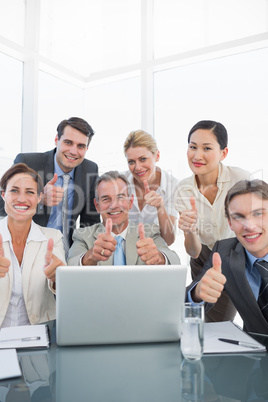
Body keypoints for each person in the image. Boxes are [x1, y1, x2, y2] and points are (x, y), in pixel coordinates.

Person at [175, 120, 250, 322]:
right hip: (203, 257)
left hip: (235, 256)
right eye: (192, 147)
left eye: (207, 148)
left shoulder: (240, 180)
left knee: (220, 321)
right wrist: (189, 230)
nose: (197, 155)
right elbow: (194, 251)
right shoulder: (183, 190)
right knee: (193, 316)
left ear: (223, 153)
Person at [0, 117, 100, 254]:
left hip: (66, 251)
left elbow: (90, 222)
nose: (73, 151)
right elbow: (1, 204)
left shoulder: (90, 169)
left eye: (81, 146)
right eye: (68, 142)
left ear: (87, 148)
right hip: (27, 248)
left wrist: (85, 255)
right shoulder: (28, 162)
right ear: (56, 140)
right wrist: (38, 199)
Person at [187, 179, 268, 334]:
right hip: (256, 354)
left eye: (258, 214)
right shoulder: (224, 252)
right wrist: (197, 294)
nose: (249, 226)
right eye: (238, 217)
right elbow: (185, 306)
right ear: (230, 223)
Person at [68, 171, 180, 266]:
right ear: (97, 206)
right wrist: (90, 257)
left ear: (130, 202)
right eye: (106, 199)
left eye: (120, 197)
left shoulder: (149, 232)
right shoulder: (82, 236)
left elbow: (175, 261)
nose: (114, 205)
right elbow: (69, 267)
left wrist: (159, 257)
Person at [0, 163, 65, 328]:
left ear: (39, 198)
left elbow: (64, 289)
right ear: (3, 194)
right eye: (14, 190)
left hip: (38, 337)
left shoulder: (53, 238)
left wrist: (58, 277)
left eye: (30, 192)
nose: (22, 199)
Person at [122, 130, 179, 246]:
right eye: (131, 162)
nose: (137, 167)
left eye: (143, 159)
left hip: (156, 253)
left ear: (157, 156)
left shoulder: (172, 186)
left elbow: (169, 240)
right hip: (124, 252)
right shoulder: (120, 182)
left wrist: (160, 208)